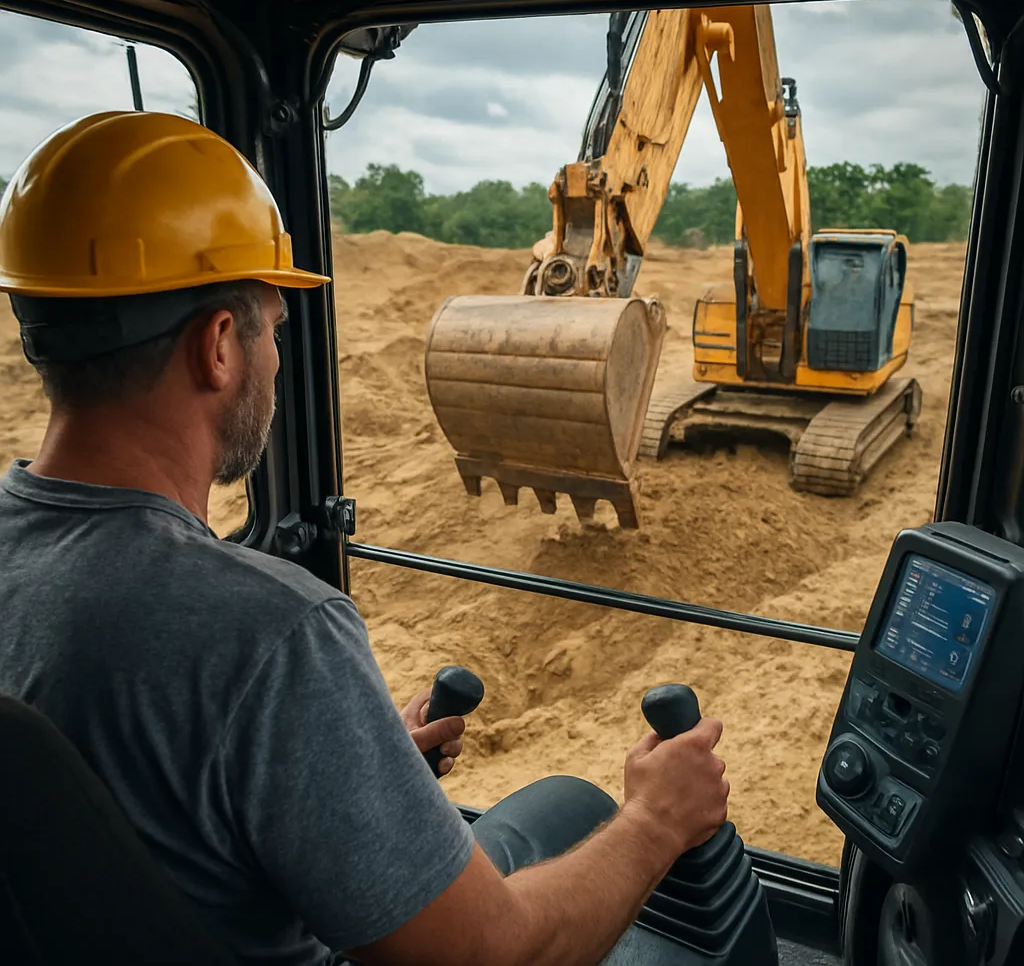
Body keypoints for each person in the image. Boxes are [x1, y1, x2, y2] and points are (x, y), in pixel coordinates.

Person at [0, 111, 730, 966]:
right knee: (590, 812)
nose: (279, 356)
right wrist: (657, 820)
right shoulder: (271, 635)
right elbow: (491, 956)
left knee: (561, 806)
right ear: (220, 347)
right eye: (276, 324)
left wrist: (337, 769)